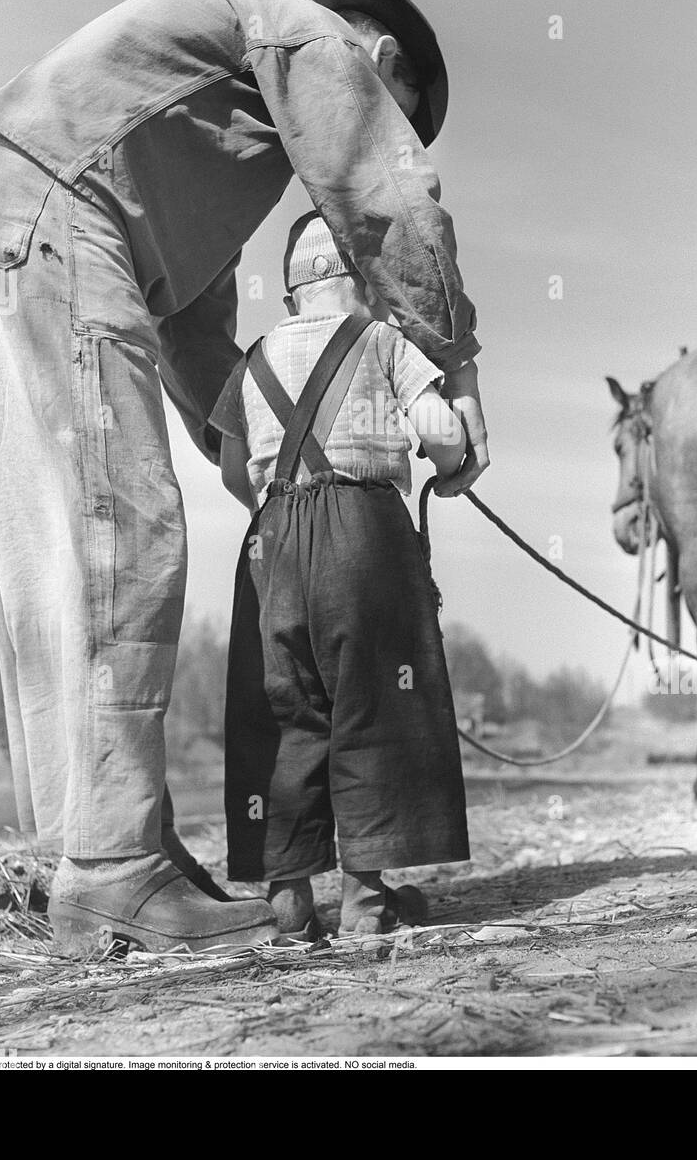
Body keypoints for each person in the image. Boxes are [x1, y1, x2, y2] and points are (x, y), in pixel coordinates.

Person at [0, 0, 488, 953]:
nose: (378, 128)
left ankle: (99, 846)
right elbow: (387, 201)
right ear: (384, 62)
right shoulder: (317, 40)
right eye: (400, 118)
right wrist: (455, 371)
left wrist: (260, 450)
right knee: (126, 531)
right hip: (58, 211)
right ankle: (112, 874)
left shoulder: (215, 142)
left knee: (61, 559)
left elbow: (192, 325)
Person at [209, 211, 471, 937]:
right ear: (363, 282)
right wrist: (449, 470)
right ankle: (365, 897)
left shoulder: (254, 356)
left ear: (293, 295)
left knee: (280, 707)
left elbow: (235, 471)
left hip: (271, 538)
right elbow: (442, 432)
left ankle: (288, 894)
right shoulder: (383, 339)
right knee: (374, 703)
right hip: (364, 531)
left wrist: (280, 510)